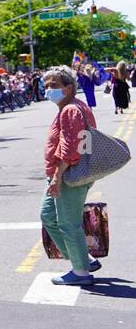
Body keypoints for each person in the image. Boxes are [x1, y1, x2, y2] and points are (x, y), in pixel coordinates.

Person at [40, 66, 101, 287]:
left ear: (68, 88)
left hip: (69, 175)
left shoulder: (70, 110)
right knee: (48, 216)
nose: (48, 90)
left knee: (68, 223)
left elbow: (69, 149)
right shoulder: (71, 107)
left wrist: (57, 178)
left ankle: (81, 271)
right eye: (46, 86)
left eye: (53, 86)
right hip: (67, 174)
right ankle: (84, 259)